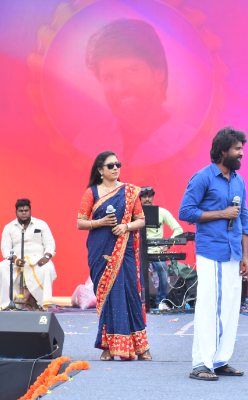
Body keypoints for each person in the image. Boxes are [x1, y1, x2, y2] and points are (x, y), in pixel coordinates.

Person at [179, 126, 248, 381]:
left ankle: (219, 360)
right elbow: (185, 212)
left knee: (229, 308)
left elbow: (243, 218)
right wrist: (222, 214)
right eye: (237, 149)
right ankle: (201, 363)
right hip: (211, 251)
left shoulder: (239, 181)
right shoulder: (203, 177)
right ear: (223, 151)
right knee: (209, 307)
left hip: (233, 253)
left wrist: (245, 255)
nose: (241, 153)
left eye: (242, 149)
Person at [74, 19, 195, 166]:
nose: (120, 88)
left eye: (132, 71)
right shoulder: (85, 144)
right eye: (109, 77)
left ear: (159, 72)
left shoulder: (198, 146)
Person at [77, 151, 151, 361]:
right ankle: (108, 347)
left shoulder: (130, 191)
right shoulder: (92, 192)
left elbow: (141, 220)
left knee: (130, 294)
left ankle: (141, 348)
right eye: (110, 165)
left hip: (124, 250)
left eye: (118, 164)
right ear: (100, 170)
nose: (116, 168)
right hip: (101, 251)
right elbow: (80, 222)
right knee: (107, 296)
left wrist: (125, 226)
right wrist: (100, 223)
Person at [0, 199, 57, 311]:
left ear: (30, 211)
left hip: (38, 260)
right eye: (21, 211)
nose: (24, 213)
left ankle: (34, 299)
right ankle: (9, 303)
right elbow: (5, 248)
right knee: (1, 267)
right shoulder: (9, 227)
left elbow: (50, 244)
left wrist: (46, 257)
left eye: (26, 210)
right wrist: (14, 259)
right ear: (16, 212)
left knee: (48, 268)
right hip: (17, 261)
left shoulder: (41, 224)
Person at [140, 187, 183, 310]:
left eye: (149, 196)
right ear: (139, 198)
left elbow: (178, 230)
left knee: (163, 271)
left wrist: (166, 247)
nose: (147, 199)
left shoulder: (162, 212)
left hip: (156, 252)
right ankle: (138, 302)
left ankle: (161, 301)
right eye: (144, 196)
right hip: (138, 252)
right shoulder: (134, 213)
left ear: (153, 197)